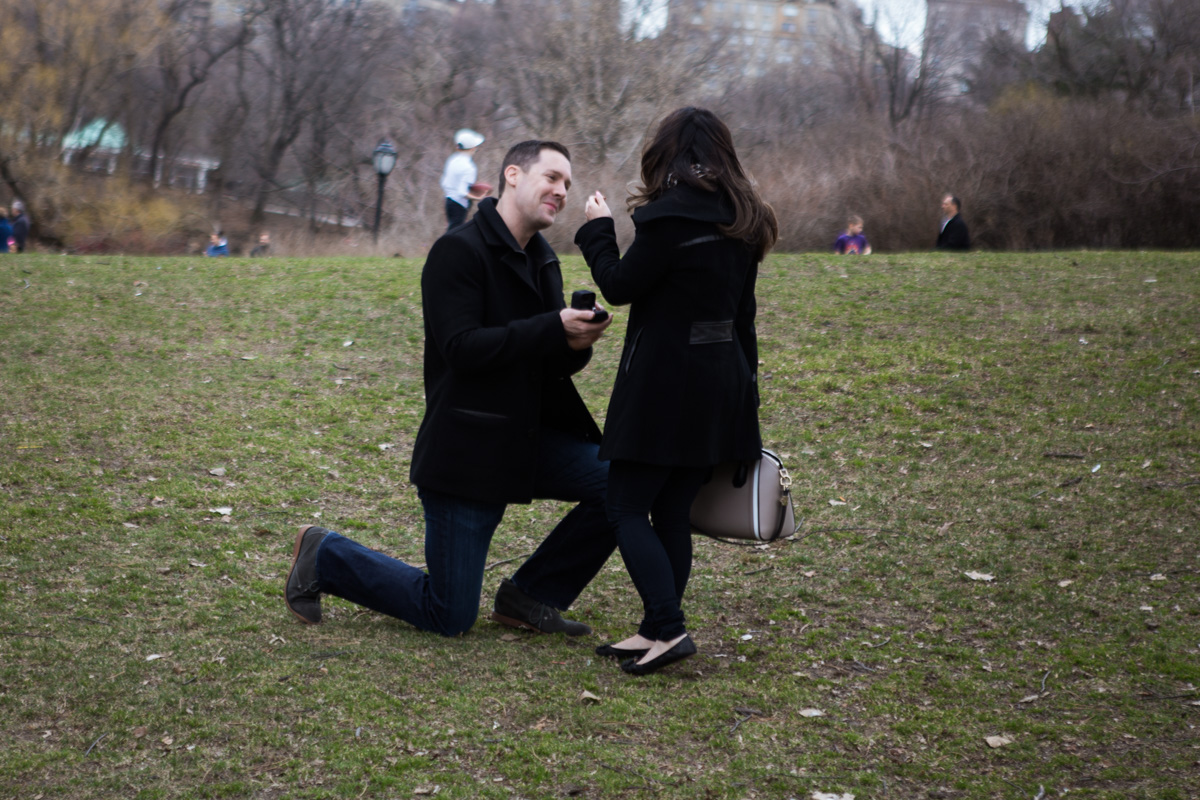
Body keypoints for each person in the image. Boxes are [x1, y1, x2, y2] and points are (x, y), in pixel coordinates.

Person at [286, 140, 618, 638]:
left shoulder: (543, 260)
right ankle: (325, 554)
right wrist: (552, 327)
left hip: (526, 441)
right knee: (450, 615)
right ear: (512, 175)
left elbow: (544, 365)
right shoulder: (457, 251)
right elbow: (462, 349)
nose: (561, 190)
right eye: (552, 177)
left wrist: (575, 344)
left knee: (623, 482)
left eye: (567, 183)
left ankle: (531, 596)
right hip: (468, 452)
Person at [574, 107, 777, 675]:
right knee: (670, 510)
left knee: (626, 506)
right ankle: (653, 629)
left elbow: (617, 286)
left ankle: (668, 627)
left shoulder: (667, 220)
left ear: (666, 156)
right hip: (722, 387)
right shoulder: (744, 222)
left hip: (665, 385)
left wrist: (597, 228)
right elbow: (745, 318)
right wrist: (747, 398)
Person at [440, 128, 491, 232]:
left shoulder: (452, 159)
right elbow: (462, 192)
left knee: (453, 231)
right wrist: (478, 197)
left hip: (448, 201)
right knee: (455, 234)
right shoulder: (469, 167)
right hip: (459, 205)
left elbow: (444, 183)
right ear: (473, 148)